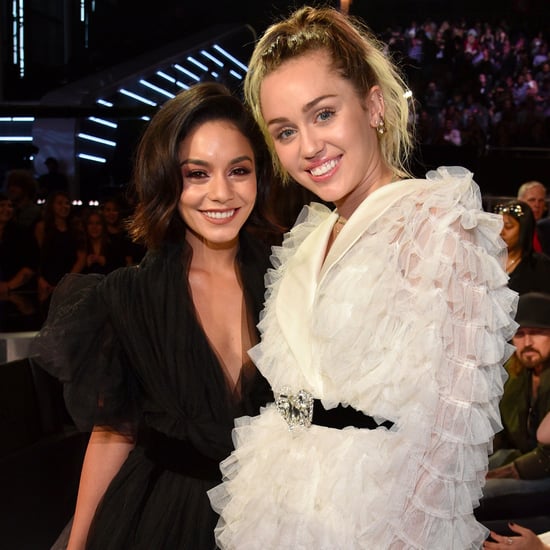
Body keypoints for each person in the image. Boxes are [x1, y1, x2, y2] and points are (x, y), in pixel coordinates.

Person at [208, 6, 517, 549]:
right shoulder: (305, 241)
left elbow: (451, 439)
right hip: (280, 505)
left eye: (323, 114)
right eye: (285, 131)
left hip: (381, 521)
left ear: (373, 105)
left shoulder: (440, 225)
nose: (308, 147)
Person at [31, 82, 276, 550]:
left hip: (273, 513)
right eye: (197, 174)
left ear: (258, 176)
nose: (221, 193)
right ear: (167, 178)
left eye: (238, 170)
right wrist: (78, 543)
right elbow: (112, 432)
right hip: (166, 516)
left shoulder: (288, 279)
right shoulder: (128, 297)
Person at [483, 292, 550, 496]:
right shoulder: (514, 372)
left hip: (543, 470)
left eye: (537, 332)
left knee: (477, 494)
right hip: (521, 457)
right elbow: (500, 431)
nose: (527, 342)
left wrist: (502, 473)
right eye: (520, 334)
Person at [34, 191, 86, 304]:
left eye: (67, 203)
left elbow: (81, 258)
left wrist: (67, 281)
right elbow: (36, 256)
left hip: (70, 283)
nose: (64, 206)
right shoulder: (42, 227)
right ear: (51, 206)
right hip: (47, 283)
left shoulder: (76, 228)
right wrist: (40, 279)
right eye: (60, 203)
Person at [494, 201, 550, 295]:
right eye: (498, 226)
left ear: (524, 230)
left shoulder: (540, 266)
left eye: (508, 226)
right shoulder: (487, 260)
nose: (501, 232)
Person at [517, 180, 547, 253]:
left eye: (541, 200)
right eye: (532, 200)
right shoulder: (511, 232)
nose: (537, 205)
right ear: (519, 202)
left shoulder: (545, 230)